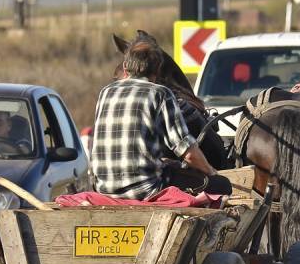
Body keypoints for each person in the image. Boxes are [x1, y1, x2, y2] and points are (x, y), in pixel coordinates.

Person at [92, 38, 219, 199]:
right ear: (157, 70)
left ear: (125, 67)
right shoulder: (160, 94)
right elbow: (188, 153)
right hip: (145, 191)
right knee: (221, 185)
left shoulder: (106, 92)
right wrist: (211, 172)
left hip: (104, 189)